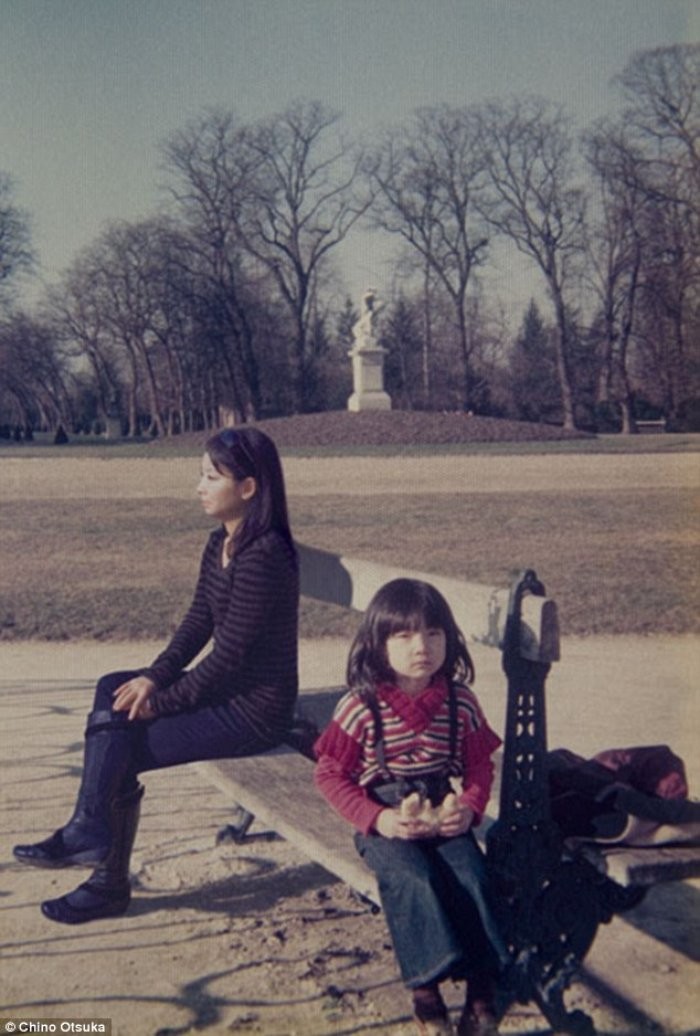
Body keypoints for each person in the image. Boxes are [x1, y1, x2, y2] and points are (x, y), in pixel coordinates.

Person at [14, 427, 299, 925]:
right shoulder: (221, 544)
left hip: (254, 712)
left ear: (249, 488)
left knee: (117, 748)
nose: (200, 486)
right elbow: (196, 625)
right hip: (224, 693)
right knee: (114, 688)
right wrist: (152, 679)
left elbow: (229, 656)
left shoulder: (265, 556)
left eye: (212, 477)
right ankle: (89, 831)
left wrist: (160, 702)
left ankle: (105, 877)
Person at [314, 579, 506, 1036]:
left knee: (473, 876)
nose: (421, 647)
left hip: (443, 807)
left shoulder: (460, 703)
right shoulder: (361, 706)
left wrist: (471, 806)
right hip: (382, 814)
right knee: (411, 877)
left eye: (434, 634)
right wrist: (376, 818)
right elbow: (328, 774)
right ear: (377, 644)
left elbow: (479, 764)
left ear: (449, 639)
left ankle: (481, 991)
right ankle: (427, 992)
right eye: (403, 636)